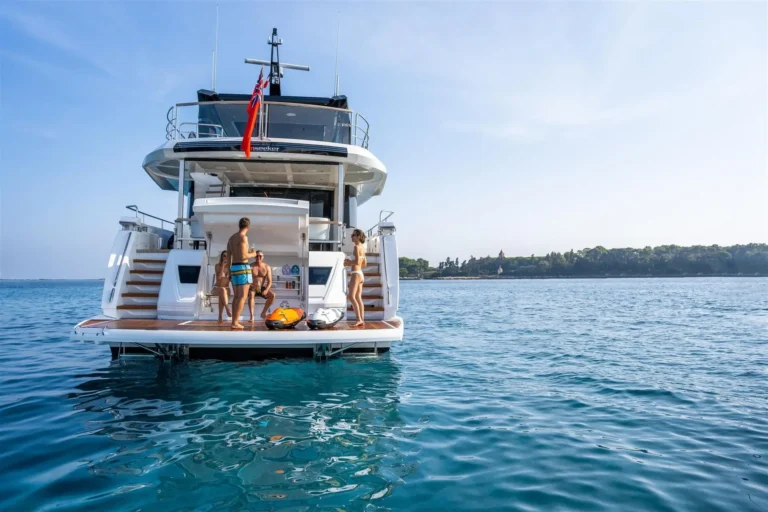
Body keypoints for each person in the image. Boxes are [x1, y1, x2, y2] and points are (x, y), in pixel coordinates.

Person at [227, 217, 257, 330]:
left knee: (236, 297)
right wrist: (253, 254)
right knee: (243, 296)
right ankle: (235, 322)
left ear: (239, 225)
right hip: (242, 268)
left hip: (234, 268)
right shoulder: (243, 237)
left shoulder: (231, 238)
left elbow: (229, 256)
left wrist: (229, 270)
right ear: (248, 227)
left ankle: (234, 322)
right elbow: (244, 256)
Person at [344, 228, 367, 327]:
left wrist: (348, 263)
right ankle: (362, 319)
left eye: (353, 235)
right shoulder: (362, 248)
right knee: (358, 298)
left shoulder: (356, 247)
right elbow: (364, 264)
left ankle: (358, 319)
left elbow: (357, 262)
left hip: (356, 274)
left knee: (351, 297)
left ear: (358, 237)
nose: (351, 237)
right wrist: (352, 262)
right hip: (360, 274)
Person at [248, 250, 275, 321]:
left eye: (260, 256)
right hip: (252, 287)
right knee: (251, 293)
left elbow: (270, 281)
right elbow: (246, 279)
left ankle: (263, 313)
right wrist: (251, 285)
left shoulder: (267, 267)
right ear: (255, 257)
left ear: (263, 257)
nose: (258, 257)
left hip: (261, 288)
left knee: (272, 295)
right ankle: (252, 316)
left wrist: (266, 290)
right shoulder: (250, 266)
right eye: (257, 256)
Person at [213, 250, 232, 323]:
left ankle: (220, 317)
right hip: (217, 288)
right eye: (224, 256)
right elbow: (219, 278)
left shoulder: (230, 268)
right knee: (222, 290)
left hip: (226, 289)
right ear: (222, 257)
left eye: (227, 256)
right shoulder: (217, 266)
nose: (225, 258)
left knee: (223, 293)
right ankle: (227, 309)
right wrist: (223, 266)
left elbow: (231, 280)